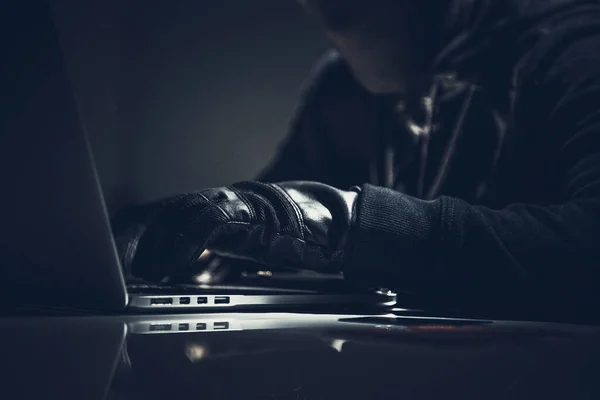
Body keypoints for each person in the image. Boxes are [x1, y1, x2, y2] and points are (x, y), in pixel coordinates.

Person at [113, 0, 600, 307]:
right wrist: (155, 231)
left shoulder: (574, 48)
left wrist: (341, 222)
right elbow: (260, 209)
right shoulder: (344, 82)